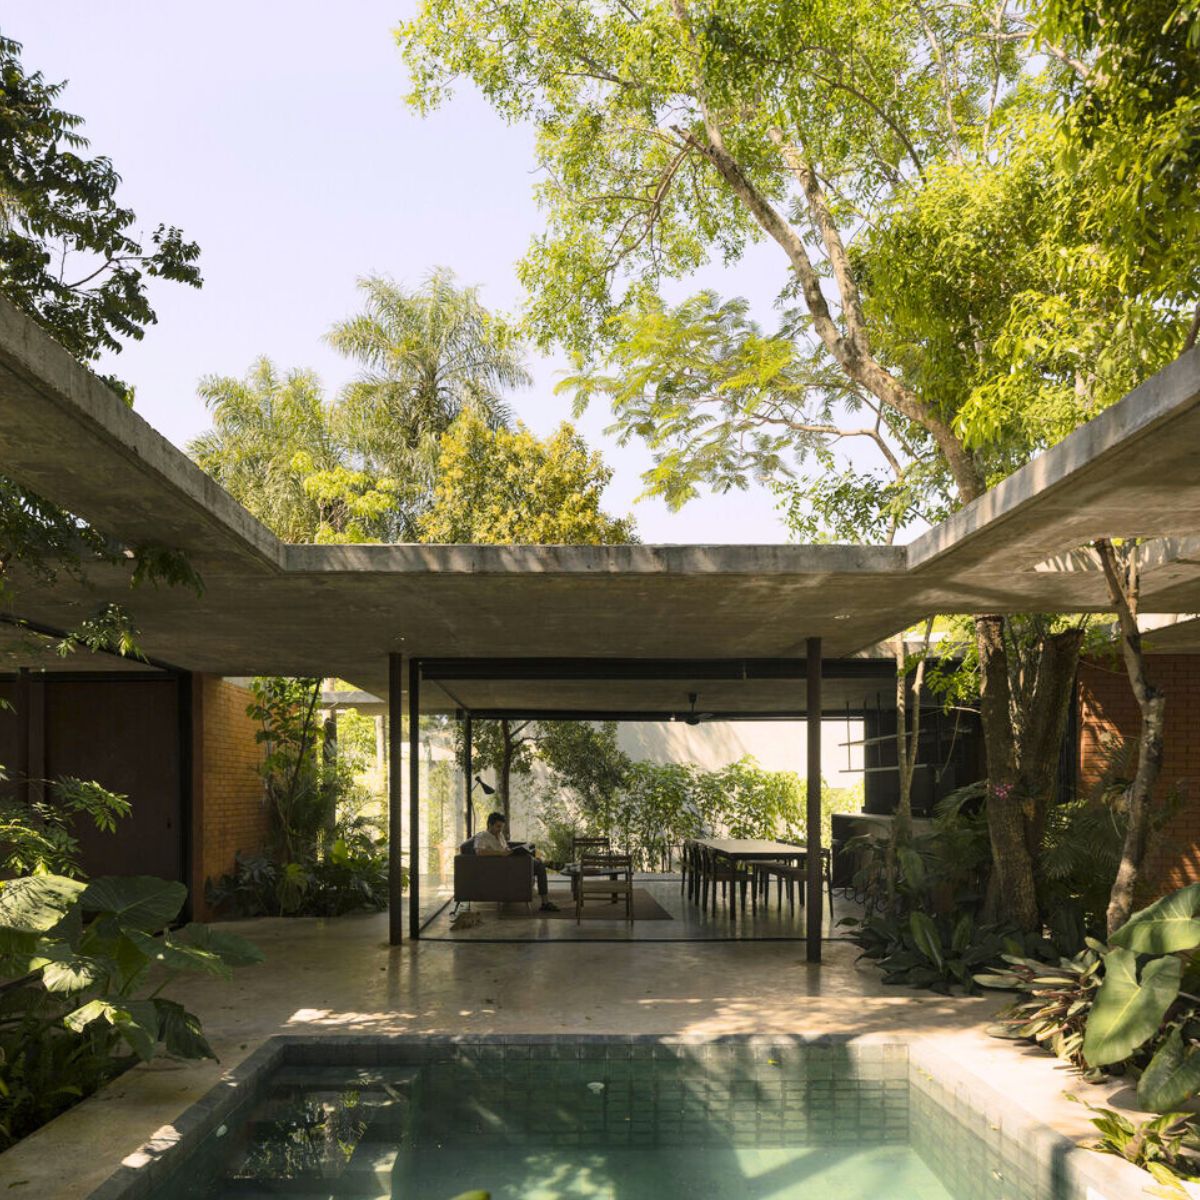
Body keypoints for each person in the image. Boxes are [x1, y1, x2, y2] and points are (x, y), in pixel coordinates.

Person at [473, 811, 560, 912]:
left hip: (512, 862)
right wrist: (500, 853)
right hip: (504, 867)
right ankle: (546, 865)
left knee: (531, 853)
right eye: (498, 826)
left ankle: (545, 901)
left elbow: (505, 848)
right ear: (490, 824)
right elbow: (479, 852)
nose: (500, 829)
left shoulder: (500, 835)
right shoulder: (482, 836)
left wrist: (508, 850)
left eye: (501, 827)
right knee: (540, 866)